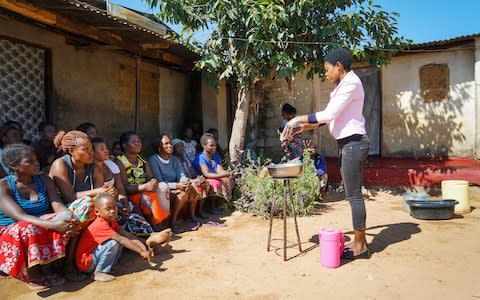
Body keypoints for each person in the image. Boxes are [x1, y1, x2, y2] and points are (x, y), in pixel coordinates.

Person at [282, 48, 371, 259]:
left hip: (354, 143)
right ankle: (361, 241)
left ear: (338, 66)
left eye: (327, 69)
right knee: (353, 195)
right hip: (349, 144)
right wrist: (302, 128)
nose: (326, 74)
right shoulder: (342, 86)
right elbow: (326, 119)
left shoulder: (351, 83)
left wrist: (296, 120)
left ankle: (361, 245)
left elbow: (328, 114)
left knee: (354, 196)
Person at [0, 144, 79, 290]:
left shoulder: (44, 180)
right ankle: (33, 272)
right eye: (30, 161)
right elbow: (19, 216)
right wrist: (54, 224)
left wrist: (68, 218)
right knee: (28, 228)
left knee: (68, 218)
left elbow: (58, 205)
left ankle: (48, 269)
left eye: (36, 159)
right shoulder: (3, 186)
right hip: (11, 231)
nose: (36, 163)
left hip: (40, 224)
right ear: (14, 166)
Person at [49, 130, 115, 280]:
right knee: (86, 205)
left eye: (91, 149)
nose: (90, 153)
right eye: (85, 150)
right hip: (62, 209)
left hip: (84, 209)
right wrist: (99, 190)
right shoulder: (60, 164)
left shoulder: (93, 167)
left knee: (102, 204)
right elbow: (69, 196)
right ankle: (69, 264)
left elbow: (100, 196)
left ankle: (93, 256)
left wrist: (108, 191)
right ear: (72, 151)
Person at [76, 193, 150, 282]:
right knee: (114, 242)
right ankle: (99, 272)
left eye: (114, 207)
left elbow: (127, 235)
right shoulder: (100, 224)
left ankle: (110, 267)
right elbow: (121, 239)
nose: (112, 211)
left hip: (93, 259)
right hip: (86, 264)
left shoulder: (111, 221)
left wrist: (144, 248)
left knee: (120, 239)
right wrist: (141, 251)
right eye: (108, 209)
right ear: (97, 212)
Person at [91, 137, 152, 235]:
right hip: (105, 206)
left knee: (134, 212)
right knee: (119, 219)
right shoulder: (92, 169)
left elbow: (120, 187)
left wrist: (125, 203)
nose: (106, 151)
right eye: (102, 149)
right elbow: (100, 196)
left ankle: (147, 232)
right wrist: (116, 206)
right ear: (92, 152)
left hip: (116, 201)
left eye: (106, 148)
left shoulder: (111, 165)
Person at [115, 131, 169, 231]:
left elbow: (151, 177)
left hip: (145, 190)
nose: (138, 143)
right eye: (134, 141)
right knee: (146, 198)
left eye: (139, 141)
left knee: (163, 187)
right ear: (124, 145)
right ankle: (154, 226)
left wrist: (153, 182)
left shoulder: (142, 160)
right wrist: (143, 187)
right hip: (132, 194)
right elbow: (124, 187)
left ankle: (163, 222)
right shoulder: (120, 161)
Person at [148, 135, 202, 233]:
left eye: (170, 143)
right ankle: (173, 221)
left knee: (193, 186)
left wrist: (184, 181)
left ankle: (191, 216)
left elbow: (180, 174)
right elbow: (159, 181)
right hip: (163, 188)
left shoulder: (174, 159)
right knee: (183, 193)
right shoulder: (153, 160)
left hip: (177, 185)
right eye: (166, 144)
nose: (170, 146)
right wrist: (176, 186)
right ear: (159, 148)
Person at [193, 133, 234, 215]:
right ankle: (211, 207)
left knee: (228, 180)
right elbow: (206, 174)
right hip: (201, 178)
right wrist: (225, 174)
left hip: (212, 176)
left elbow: (220, 170)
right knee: (214, 182)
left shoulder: (216, 156)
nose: (214, 147)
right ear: (204, 146)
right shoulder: (200, 157)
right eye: (211, 145)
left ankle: (220, 204)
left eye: (215, 145)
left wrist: (228, 174)